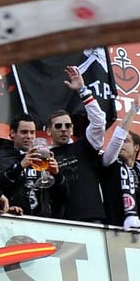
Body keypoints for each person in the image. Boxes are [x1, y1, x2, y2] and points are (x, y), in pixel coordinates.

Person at [42, 67, 114, 224]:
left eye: (68, 126)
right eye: (58, 126)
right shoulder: (43, 157)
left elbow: (99, 122)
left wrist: (83, 90)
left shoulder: (84, 146)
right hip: (60, 221)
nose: (64, 129)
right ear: (48, 131)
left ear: (72, 128)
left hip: (91, 217)